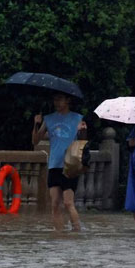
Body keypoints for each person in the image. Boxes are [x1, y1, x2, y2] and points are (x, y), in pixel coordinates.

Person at [32, 93, 87, 231]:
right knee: (55, 203)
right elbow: (35, 141)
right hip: (54, 165)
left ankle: (77, 232)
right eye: (55, 99)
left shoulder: (78, 118)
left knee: (68, 203)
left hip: (70, 165)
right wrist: (36, 124)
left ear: (67, 100)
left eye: (59, 99)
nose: (56, 102)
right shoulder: (48, 119)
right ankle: (59, 234)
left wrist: (83, 131)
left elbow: (83, 142)